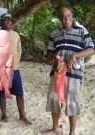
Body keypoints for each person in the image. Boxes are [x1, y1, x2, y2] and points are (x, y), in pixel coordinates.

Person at [43, 7, 94, 135]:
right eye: (63, 16)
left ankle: (72, 132)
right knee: (55, 100)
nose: (67, 18)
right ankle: (55, 128)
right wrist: (54, 56)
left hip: (74, 74)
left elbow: (91, 50)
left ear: (71, 16)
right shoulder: (54, 34)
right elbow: (49, 52)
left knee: (72, 102)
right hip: (57, 73)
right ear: (60, 19)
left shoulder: (82, 31)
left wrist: (75, 55)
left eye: (68, 15)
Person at [0, 13, 32, 125]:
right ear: (1, 22)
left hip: (14, 69)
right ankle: (4, 114)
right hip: (1, 70)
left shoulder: (16, 35)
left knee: (19, 93)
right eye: (6, 20)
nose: (9, 22)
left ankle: (22, 116)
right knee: (2, 93)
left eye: (10, 21)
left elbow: (19, 50)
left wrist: (15, 63)